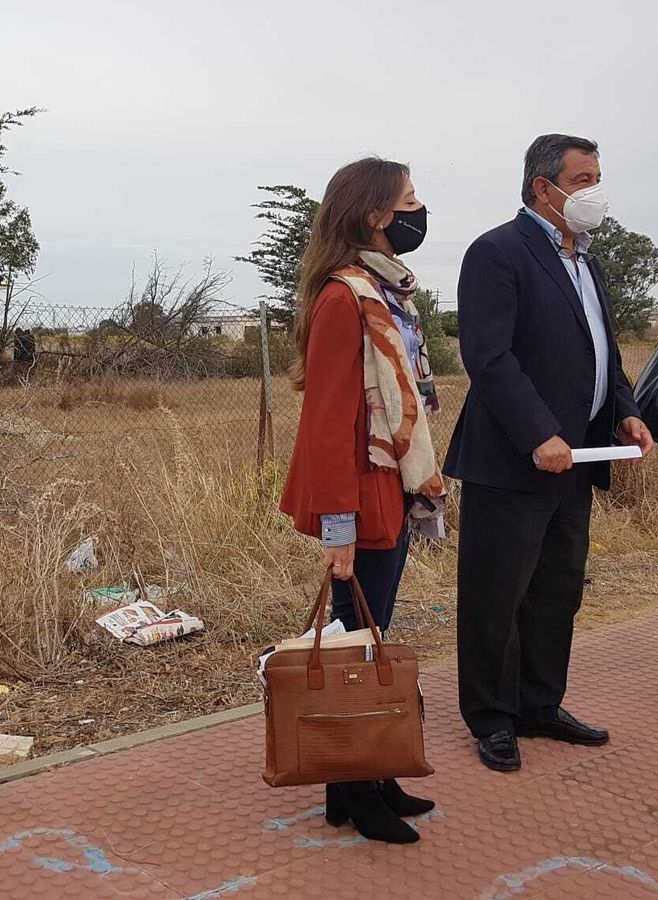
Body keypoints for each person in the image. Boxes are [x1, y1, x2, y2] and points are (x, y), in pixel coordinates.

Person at [445, 134, 654, 773]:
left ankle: (541, 704)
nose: (595, 191)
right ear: (544, 186)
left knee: (558, 589)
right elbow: (489, 356)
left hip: (581, 458)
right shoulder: (498, 252)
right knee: (497, 592)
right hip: (514, 460)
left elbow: (602, 352)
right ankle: (492, 717)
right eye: (583, 179)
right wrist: (539, 431)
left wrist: (625, 409)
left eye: (597, 177)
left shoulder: (586, 261)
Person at [279, 157, 449, 844]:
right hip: (360, 492)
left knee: (366, 635)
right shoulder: (343, 298)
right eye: (410, 200)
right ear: (376, 215)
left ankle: (362, 782)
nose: (419, 211)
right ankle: (354, 783)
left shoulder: (386, 294)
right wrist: (338, 526)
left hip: (390, 486)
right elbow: (325, 423)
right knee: (356, 642)